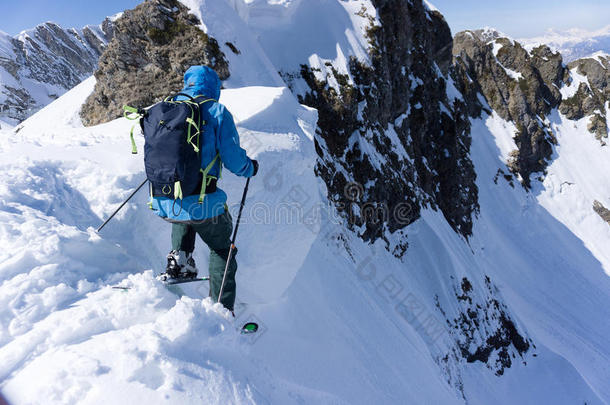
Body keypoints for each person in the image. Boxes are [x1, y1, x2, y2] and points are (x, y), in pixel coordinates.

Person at [150, 65, 258, 312]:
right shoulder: (217, 111)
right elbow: (233, 159)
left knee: (185, 211)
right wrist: (250, 168)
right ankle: (222, 308)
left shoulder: (167, 109)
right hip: (204, 201)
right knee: (222, 249)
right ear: (213, 87)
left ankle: (180, 261)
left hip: (165, 198)